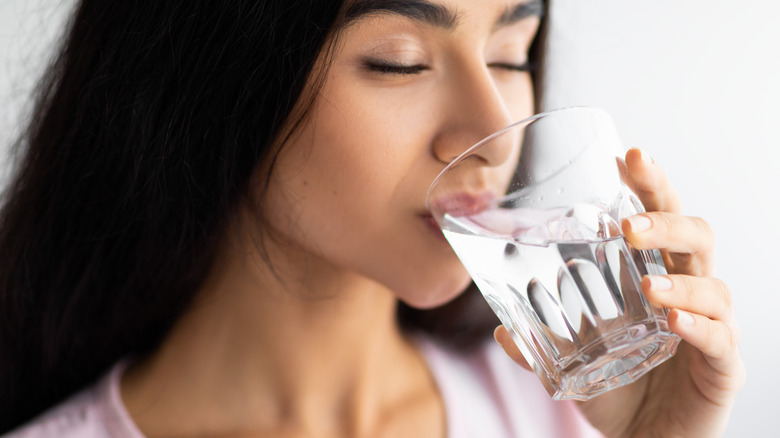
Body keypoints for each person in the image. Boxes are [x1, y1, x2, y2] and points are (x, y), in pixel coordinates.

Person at [0, 0, 744, 436]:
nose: (493, 130)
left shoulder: (568, 410)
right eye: (399, 61)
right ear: (211, 78)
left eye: (512, 56)